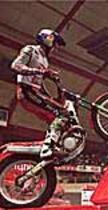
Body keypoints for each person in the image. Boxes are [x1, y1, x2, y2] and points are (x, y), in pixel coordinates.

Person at [11, 28, 67, 159]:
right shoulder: (31, 50)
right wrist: (42, 72)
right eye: (55, 42)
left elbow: (39, 84)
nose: (56, 47)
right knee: (60, 114)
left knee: (60, 114)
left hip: (35, 92)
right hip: (26, 90)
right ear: (46, 38)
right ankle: (48, 147)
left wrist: (52, 97)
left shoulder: (45, 60)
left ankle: (53, 145)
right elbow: (16, 66)